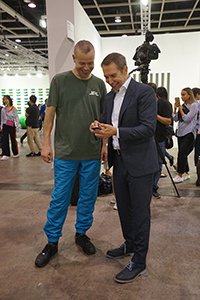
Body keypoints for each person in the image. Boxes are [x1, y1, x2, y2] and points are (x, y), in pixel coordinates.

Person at [35, 40, 107, 268]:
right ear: (74, 59)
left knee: (88, 197)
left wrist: (104, 144)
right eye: (82, 63)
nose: (87, 67)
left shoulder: (99, 84)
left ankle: (81, 234)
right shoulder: (60, 81)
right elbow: (50, 115)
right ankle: (52, 242)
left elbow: (103, 118)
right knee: (60, 199)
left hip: (92, 152)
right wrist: (45, 143)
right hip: (66, 153)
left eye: (91, 63)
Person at [90, 52, 159, 284]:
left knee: (140, 213)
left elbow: (148, 129)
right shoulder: (110, 98)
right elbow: (111, 124)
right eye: (106, 77)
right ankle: (130, 244)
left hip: (141, 163)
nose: (110, 81)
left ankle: (139, 261)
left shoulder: (144, 92)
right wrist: (99, 127)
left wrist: (116, 132)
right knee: (125, 210)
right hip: (119, 162)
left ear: (125, 69)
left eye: (113, 76)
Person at [148, 83, 172, 199]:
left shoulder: (164, 104)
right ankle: (146, 186)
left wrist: (155, 115)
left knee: (158, 163)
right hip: (145, 138)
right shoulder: (143, 103)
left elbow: (168, 121)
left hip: (160, 138)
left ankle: (153, 186)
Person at [173, 88, 198, 183]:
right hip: (180, 132)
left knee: (182, 153)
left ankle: (180, 174)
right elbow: (175, 118)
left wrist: (181, 110)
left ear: (189, 95)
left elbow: (187, 118)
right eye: (181, 95)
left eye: (184, 95)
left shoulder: (194, 106)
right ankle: (186, 173)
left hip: (189, 132)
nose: (182, 97)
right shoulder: (182, 105)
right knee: (182, 152)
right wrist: (175, 109)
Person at [157, 86, 174, 167]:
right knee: (160, 151)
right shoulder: (168, 104)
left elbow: (169, 121)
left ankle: (170, 157)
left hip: (162, 133)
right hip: (158, 134)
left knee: (160, 153)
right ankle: (170, 157)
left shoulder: (166, 104)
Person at [0, 95, 20, 160]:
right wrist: (1, 126)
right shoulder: (3, 109)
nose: (5, 101)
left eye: (6, 99)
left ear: (9, 100)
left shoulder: (13, 108)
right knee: (5, 139)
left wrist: (17, 126)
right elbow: (2, 119)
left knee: (13, 139)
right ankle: (6, 154)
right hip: (5, 125)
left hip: (11, 126)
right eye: (4, 99)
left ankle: (15, 153)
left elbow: (16, 118)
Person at [192, 88, 200, 166]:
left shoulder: (190, 104)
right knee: (197, 149)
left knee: (195, 148)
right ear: (197, 94)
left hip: (192, 129)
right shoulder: (197, 104)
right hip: (197, 128)